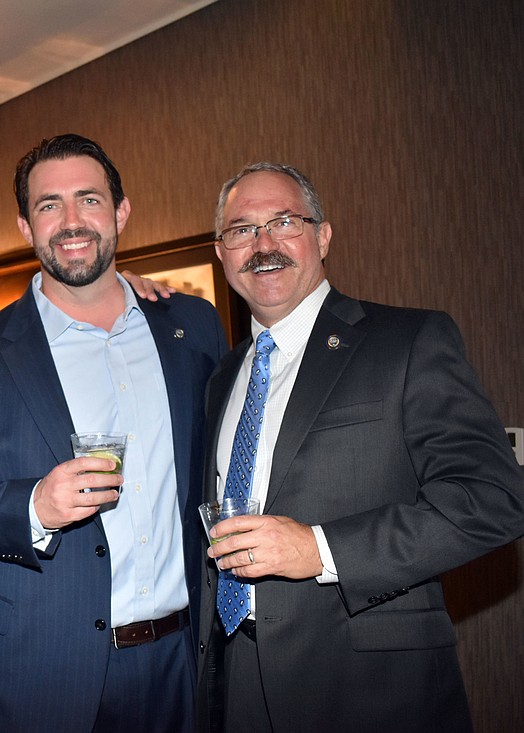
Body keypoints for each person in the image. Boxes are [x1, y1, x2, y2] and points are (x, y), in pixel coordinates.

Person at [0, 133, 229, 733]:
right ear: (26, 226)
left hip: (183, 660)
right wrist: (34, 505)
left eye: (89, 199)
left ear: (121, 212)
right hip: (42, 668)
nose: (71, 221)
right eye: (48, 205)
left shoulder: (191, 326)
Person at [197, 162, 524, 732]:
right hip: (235, 681)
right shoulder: (224, 375)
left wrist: (321, 550)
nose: (263, 245)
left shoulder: (408, 341)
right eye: (242, 230)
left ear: (323, 236)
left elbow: (493, 499)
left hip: (369, 689)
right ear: (222, 253)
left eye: (284, 222)